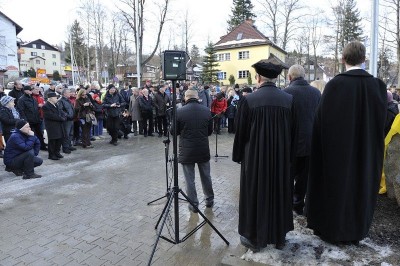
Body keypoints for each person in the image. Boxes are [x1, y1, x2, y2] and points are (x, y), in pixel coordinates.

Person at [306, 41, 387, 245]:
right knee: (361, 186)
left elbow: (321, 122)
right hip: (367, 151)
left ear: (343, 59)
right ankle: (357, 229)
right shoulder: (377, 86)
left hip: (338, 153)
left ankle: (333, 230)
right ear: (364, 59)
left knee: (338, 189)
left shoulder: (335, 85)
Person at [232, 55, 296, 251]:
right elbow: (294, 132)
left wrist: (238, 156)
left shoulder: (248, 100)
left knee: (255, 193)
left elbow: (240, 132)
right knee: (279, 192)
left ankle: (254, 236)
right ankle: (279, 236)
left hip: (255, 158)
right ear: (275, 78)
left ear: (258, 78)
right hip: (281, 158)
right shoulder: (289, 99)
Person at [284, 64, 321, 215]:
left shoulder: (286, 93)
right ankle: (298, 204)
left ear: (289, 77)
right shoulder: (316, 93)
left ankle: (287, 204)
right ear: (304, 76)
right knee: (303, 178)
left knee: (288, 176)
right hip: (310, 143)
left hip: (291, 144)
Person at [171, 89, 214, 213]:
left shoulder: (179, 112)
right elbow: (210, 131)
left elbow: (173, 132)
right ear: (197, 97)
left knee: (189, 179)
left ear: (185, 98)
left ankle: (193, 204)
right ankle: (209, 200)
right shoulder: (206, 110)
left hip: (187, 151)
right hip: (203, 149)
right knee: (206, 176)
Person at [17, 85, 47, 151]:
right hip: (28, 120)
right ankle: (30, 147)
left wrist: (39, 109)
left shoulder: (33, 98)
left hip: (36, 119)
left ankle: (42, 146)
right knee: (29, 135)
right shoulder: (21, 99)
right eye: (29, 90)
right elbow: (21, 111)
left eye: (31, 90)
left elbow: (35, 108)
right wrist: (25, 120)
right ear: (25, 91)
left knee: (40, 134)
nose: (31, 91)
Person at [42, 92, 65, 160]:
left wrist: (64, 116)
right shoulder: (46, 106)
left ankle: (57, 152)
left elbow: (60, 112)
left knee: (59, 139)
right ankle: (51, 155)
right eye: (55, 97)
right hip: (52, 126)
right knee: (53, 141)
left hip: (58, 125)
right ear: (51, 98)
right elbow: (51, 116)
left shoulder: (55, 105)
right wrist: (61, 118)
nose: (57, 99)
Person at [58, 88, 76, 154]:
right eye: (69, 92)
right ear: (64, 93)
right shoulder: (61, 101)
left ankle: (69, 145)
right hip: (66, 120)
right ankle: (65, 147)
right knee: (66, 134)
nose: (70, 93)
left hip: (71, 119)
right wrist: (67, 115)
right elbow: (60, 110)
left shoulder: (68, 100)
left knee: (71, 134)